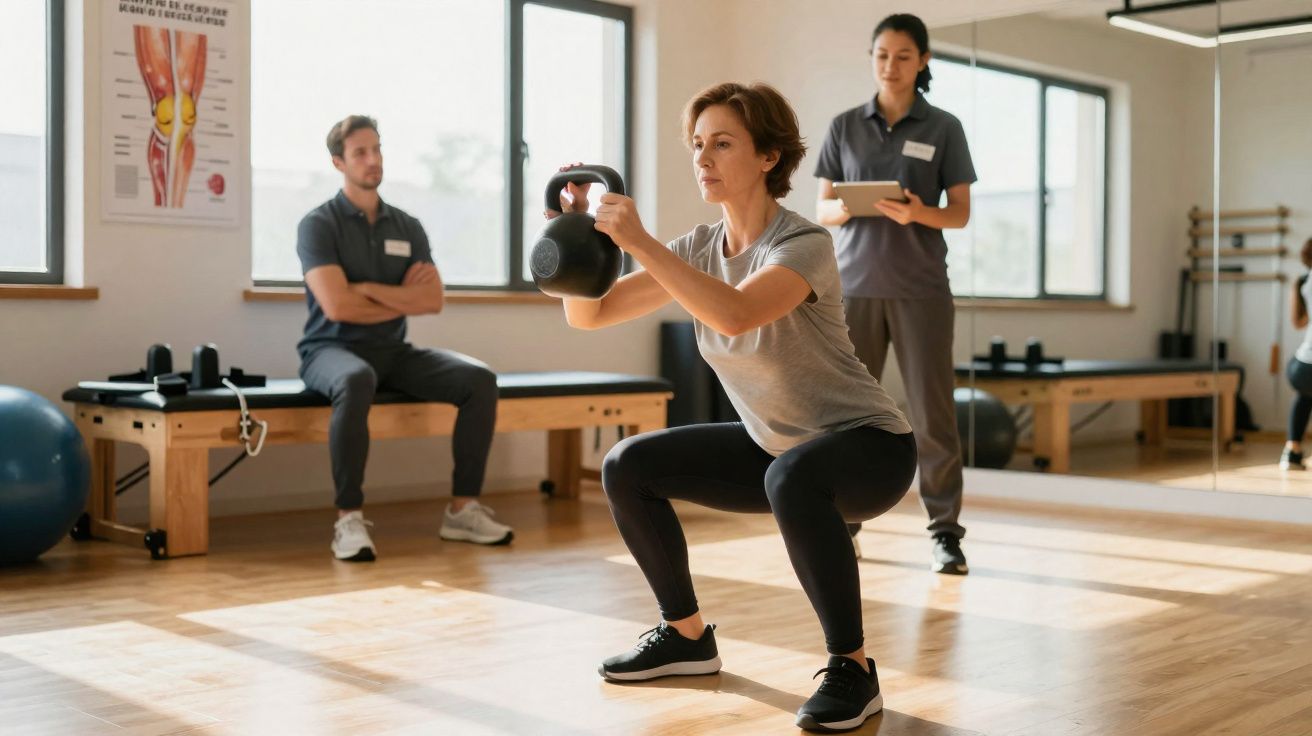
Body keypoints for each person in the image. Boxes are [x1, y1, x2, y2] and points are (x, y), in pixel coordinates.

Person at [550, 83, 916, 732]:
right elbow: (593, 314)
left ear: (770, 157)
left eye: (722, 143)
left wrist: (639, 243)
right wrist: (574, 236)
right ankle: (686, 635)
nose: (704, 158)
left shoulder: (802, 243)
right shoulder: (695, 248)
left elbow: (738, 313)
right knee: (628, 464)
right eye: (697, 145)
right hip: (776, 445)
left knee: (794, 475)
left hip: (869, 446)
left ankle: (853, 670)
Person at [296, 115, 512, 562]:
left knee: (479, 380)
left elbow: (432, 299)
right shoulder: (318, 224)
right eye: (360, 152)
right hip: (329, 350)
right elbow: (337, 307)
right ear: (338, 162)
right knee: (356, 380)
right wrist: (402, 297)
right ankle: (348, 519)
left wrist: (368, 289)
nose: (373, 159)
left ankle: (462, 511)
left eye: (377, 149)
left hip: (392, 352)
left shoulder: (406, 226)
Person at [814, 13, 977, 575]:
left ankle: (945, 533)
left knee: (933, 416)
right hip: (854, 288)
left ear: (923, 61)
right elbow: (823, 208)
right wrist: (850, 205)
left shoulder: (944, 127)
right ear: (873, 58)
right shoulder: (843, 127)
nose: (891, 65)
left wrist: (916, 212)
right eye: (882, 54)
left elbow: (959, 213)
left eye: (904, 55)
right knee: (849, 415)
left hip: (922, 291)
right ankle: (845, 522)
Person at [1280, 238, 1312, 470]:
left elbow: (1298, 322)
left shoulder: (1303, 282)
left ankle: (1292, 450)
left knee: (1305, 394)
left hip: (1302, 367)